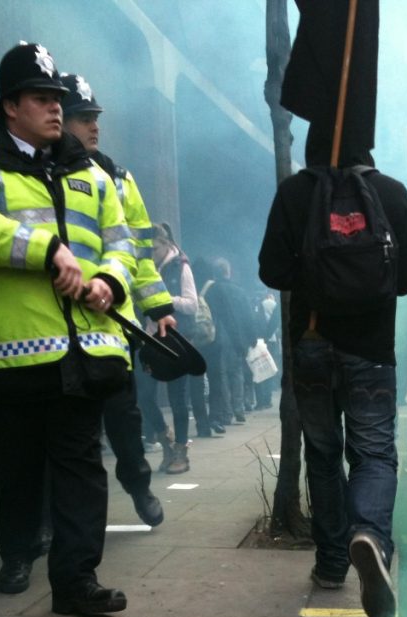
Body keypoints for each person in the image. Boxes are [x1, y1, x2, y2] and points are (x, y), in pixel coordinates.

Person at [0, 41, 133, 615]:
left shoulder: (94, 176)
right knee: (18, 469)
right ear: (10, 107)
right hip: (13, 357)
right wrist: (49, 249)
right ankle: (16, 550)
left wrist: (110, 282)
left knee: (81, 469)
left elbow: (122, 243)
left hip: (86, 352)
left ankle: (76, 582)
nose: (56, 108)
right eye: (41, 98)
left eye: (57, 98)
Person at [258, 124, 407, 617]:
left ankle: (330, 564)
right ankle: (369, 534)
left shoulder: (294, 193)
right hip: (371, 350)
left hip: (311, 346)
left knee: (324, 456)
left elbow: (270, 270)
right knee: (373, 453)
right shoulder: (391, 192)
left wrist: (315, 276)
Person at [60, 73, 176, 515]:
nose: (94, 127)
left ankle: (139, 487)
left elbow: (140, 251)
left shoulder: (120, 179)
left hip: (112, 324)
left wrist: (158, 306)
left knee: (124, 418)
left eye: (95, 117)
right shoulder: (41, 172)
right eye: (83, 117)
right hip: (57, 320)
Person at [150, 221, 211, 472]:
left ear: (166, 245)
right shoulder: (145, 266)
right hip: (149, 338)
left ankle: (181, 453)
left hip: (176, 338)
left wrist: (161, 300)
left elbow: (191, 304)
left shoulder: (180, 266)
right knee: (143, 396)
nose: (150, 252)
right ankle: (167, 441)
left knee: (177, 398)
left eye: (154, 248)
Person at [202, 257, 256, 429]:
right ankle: (239, 408)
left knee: (221, 375)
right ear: (228, 272)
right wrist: (252, 337)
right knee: (237, 373)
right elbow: (248, 316)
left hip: (217, 338)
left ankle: (226, 413)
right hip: (237, 338)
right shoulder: (239, 291)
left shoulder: (211, 291)